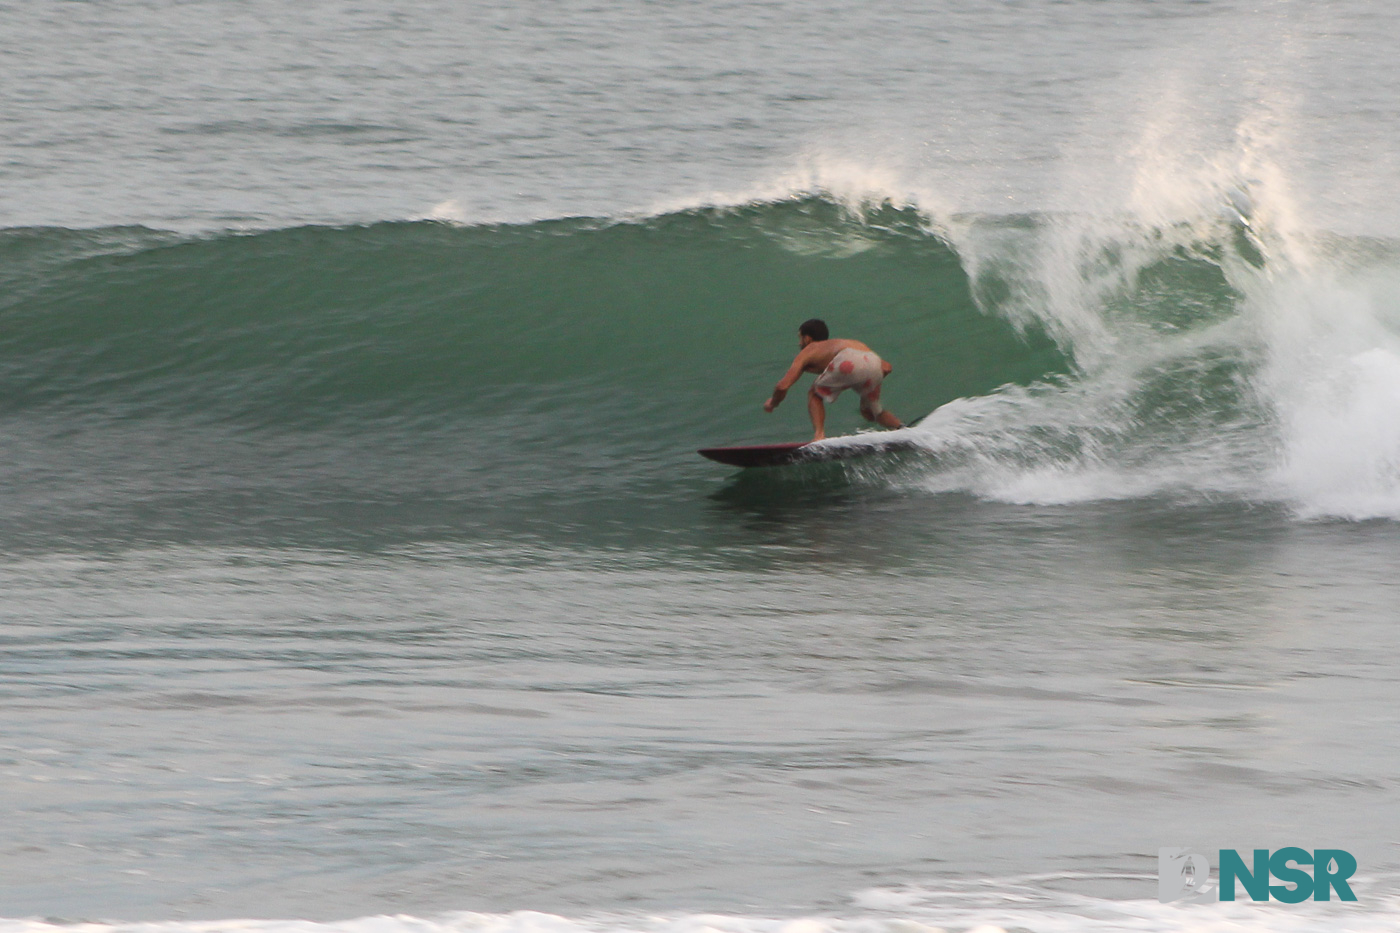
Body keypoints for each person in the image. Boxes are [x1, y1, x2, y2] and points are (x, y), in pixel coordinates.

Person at [763, 318, 903, 440]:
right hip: (874, 363)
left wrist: (773, 403)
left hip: (847, 360)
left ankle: (819, 436)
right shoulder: (846, 342)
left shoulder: (810, 349)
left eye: (800, 338)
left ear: (807, 338)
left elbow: (783, 386)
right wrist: (865, 391)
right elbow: (887, 367)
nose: (799, 343)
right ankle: (902, 430)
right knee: (873, 411)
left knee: (814, 394)